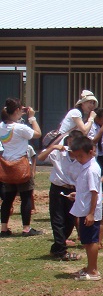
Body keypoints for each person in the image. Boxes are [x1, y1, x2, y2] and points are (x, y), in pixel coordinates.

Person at [0, 98, 42, 236]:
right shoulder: (20, 128)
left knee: (8, 198)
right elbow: (37, 133)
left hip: (7, 166)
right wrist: (32, 117)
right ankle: (26, 228)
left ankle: (4, 228)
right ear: (17, 110)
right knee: (25, 197)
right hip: (21, 166)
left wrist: (19, 113)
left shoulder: (1, 126)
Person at [38, 131, 80, 258]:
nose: (71, 145)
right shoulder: (59, 153)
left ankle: (57, 248)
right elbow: (40, 157)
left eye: (74, 143)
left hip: (73, 190)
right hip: (58, 188)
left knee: (70, 220)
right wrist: (52, 147)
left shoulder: (81, 157)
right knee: (57, 219)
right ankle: (60, 250)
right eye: (70, 142)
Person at [68, 134, 103, 281]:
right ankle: (89, 267)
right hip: (84, 209)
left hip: (89, 211)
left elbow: (95, 193)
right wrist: (78, 194)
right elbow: (87, 190)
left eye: (80, 156)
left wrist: (91, 213)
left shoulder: (92, 169)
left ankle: (93, 270)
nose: (78, 159)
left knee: (91, 242)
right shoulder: (85, 167)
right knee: (87, 241)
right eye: (76, 156)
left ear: (91, 152)